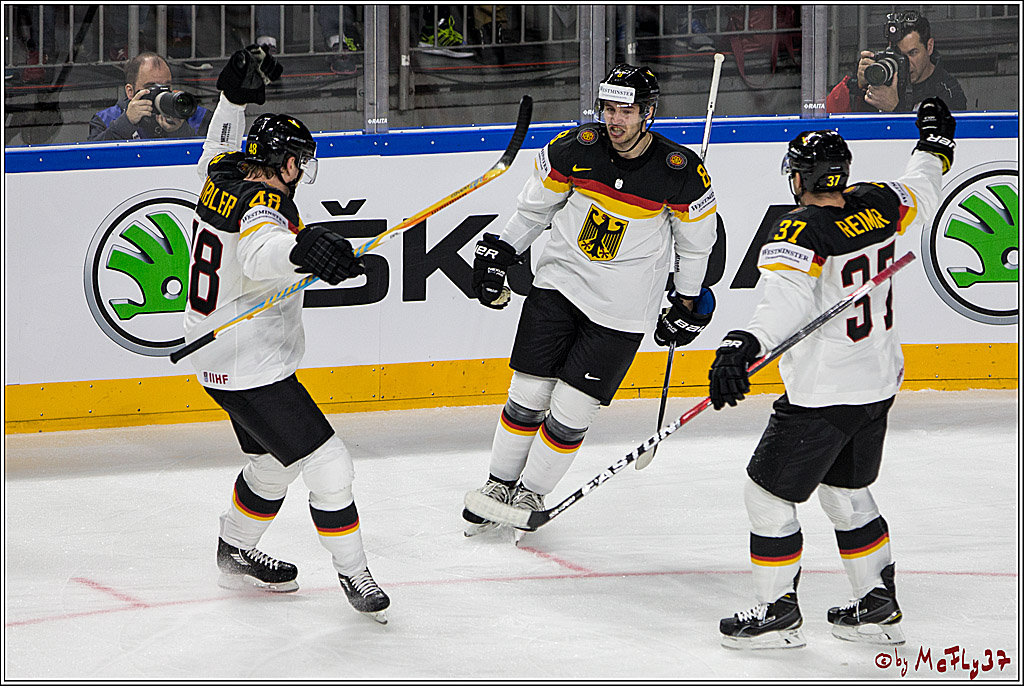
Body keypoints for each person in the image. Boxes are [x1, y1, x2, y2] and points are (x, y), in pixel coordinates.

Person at [709, 98, 957, 649]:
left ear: (799, 177)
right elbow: (922, 181)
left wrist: (740, 345)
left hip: (823, 393)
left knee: (767, 496)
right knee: (846, 489)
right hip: (877, 384)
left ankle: (776, 613)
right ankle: (876, 602)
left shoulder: (799, 229)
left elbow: (783, 306)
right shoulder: (881, 204)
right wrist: (936, 143)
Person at [462, 64, 719, 538]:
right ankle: (498, 486)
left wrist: (686, 302)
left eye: (626, 110)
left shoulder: (680, 172)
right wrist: (502, 247)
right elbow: (533, 211)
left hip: (622, 308)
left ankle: (531, 493)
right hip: (558, 285)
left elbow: (696, 245)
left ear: (648, 113)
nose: (615, 120)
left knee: (573, 409)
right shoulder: (572, 148)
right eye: (609, 108)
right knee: (528, 394)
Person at [182, 46, 391, 623]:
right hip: (252, 365)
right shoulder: (268, 202)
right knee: (329, 462)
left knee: (275, 462)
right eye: (302, 160)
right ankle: (355, 573)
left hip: (215, 353)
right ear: (291, 165)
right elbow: (260, 248)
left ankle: (235, 551)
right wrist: (300, 250)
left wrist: (233, 97)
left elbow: (221, 140)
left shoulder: (218, 174)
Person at [827, 11, 967, 113]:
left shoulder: (948, 91)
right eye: (899, 54)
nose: (905, 62)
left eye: (912, 53)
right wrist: (858, 86)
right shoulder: (882, 77)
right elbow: (829, 115)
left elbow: (941, 141)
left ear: (929, 47)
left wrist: (895, 110)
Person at [88, 52, 212, 141]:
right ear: (130, 91)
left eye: (166, 86)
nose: (160, 93)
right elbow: (91, 160)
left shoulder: (194, 115)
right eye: (151, 87)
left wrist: (180, 131)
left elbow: (213, 157)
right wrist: (126, 123)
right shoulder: (105, 119)